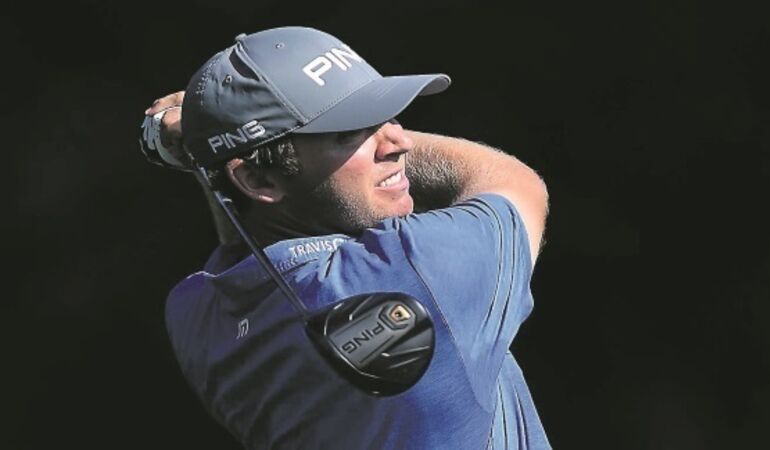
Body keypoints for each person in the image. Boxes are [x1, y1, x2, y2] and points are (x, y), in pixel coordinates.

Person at [143, 26, 551, 449]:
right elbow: (514, 182)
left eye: (386, 116)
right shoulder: (418, 269)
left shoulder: (197, 315)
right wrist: (206, 146)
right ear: (259, 179)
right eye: (350, 131)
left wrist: (210, 149)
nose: (400, 141)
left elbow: (244, 230)